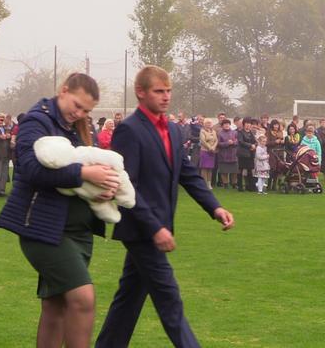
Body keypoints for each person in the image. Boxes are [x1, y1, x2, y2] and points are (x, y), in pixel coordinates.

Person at [96, 66, 234, 347]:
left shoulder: (172, 128)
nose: (166, 96)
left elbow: (187, 173)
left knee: (129, 299)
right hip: (141, 230)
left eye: (168, 91)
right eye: (159, 91)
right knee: (169, 298)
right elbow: (126, 185)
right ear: (141, 92)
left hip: (158, 228)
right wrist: (155, 228)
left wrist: (215, 207)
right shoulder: (129, 130)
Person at [0, 73, 121, 347]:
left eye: (86, 111)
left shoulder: (79, 126)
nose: (79, 113)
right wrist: (85, 173)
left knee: (56, 306)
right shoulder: (36, 121)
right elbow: (30, 169)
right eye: (76, 105)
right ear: (63, 91)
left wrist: (106, 186)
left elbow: (95, 165)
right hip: (43, 229)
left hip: (79, 231)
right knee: (82, 298)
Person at [217, 119, 238, 189]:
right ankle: (225, 183)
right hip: (223, 155)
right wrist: (227, 143)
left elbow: (238, 141)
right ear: (222, 125)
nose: (226, 125)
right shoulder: (220, 133)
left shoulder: (234, 132)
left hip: (233, 154)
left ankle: (234, 183)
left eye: (228, 124)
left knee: (234, 170)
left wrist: (233, 142)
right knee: (224, 170)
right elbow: (218, 143)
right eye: (225, 124)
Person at [237, 117, 257, 192]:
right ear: (243, 124)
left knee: (250, 170)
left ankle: (250, 186)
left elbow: (255, 141)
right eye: (246, 123)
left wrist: (254, 145)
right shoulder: (240, 132)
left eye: (249, 124)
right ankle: (240, 186)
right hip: (243, 154)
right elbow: (241, 142)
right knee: (241, 170)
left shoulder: (251, 132)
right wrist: (250, 145)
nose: (248, 125)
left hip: (250, 154)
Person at [199, 118, 218, 189]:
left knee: (210, 168)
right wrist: (210, 148)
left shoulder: (213, 131)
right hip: (205, 151)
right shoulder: (202, 131)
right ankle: (204, 183)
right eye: (207, 123)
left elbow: (216, 140)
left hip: (212, 152)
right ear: (204, 124)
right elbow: (203, 141)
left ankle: (209, 183)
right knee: (204, 168)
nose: (209, 124)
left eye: (210, 123)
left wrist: (213, 147)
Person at [266, 119, 285, 190]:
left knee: (278, 169)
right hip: (272, 153)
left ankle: (274, 185)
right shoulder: (269, 132)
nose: (276, 126)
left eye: (277, 125)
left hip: (279, 153)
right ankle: (269, 185)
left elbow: (282, 143)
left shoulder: (280, 132)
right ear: (272, 125)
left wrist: (283, 142)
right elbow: (267, 143)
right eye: (275, 125)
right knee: (272, 169)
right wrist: (275, 142)